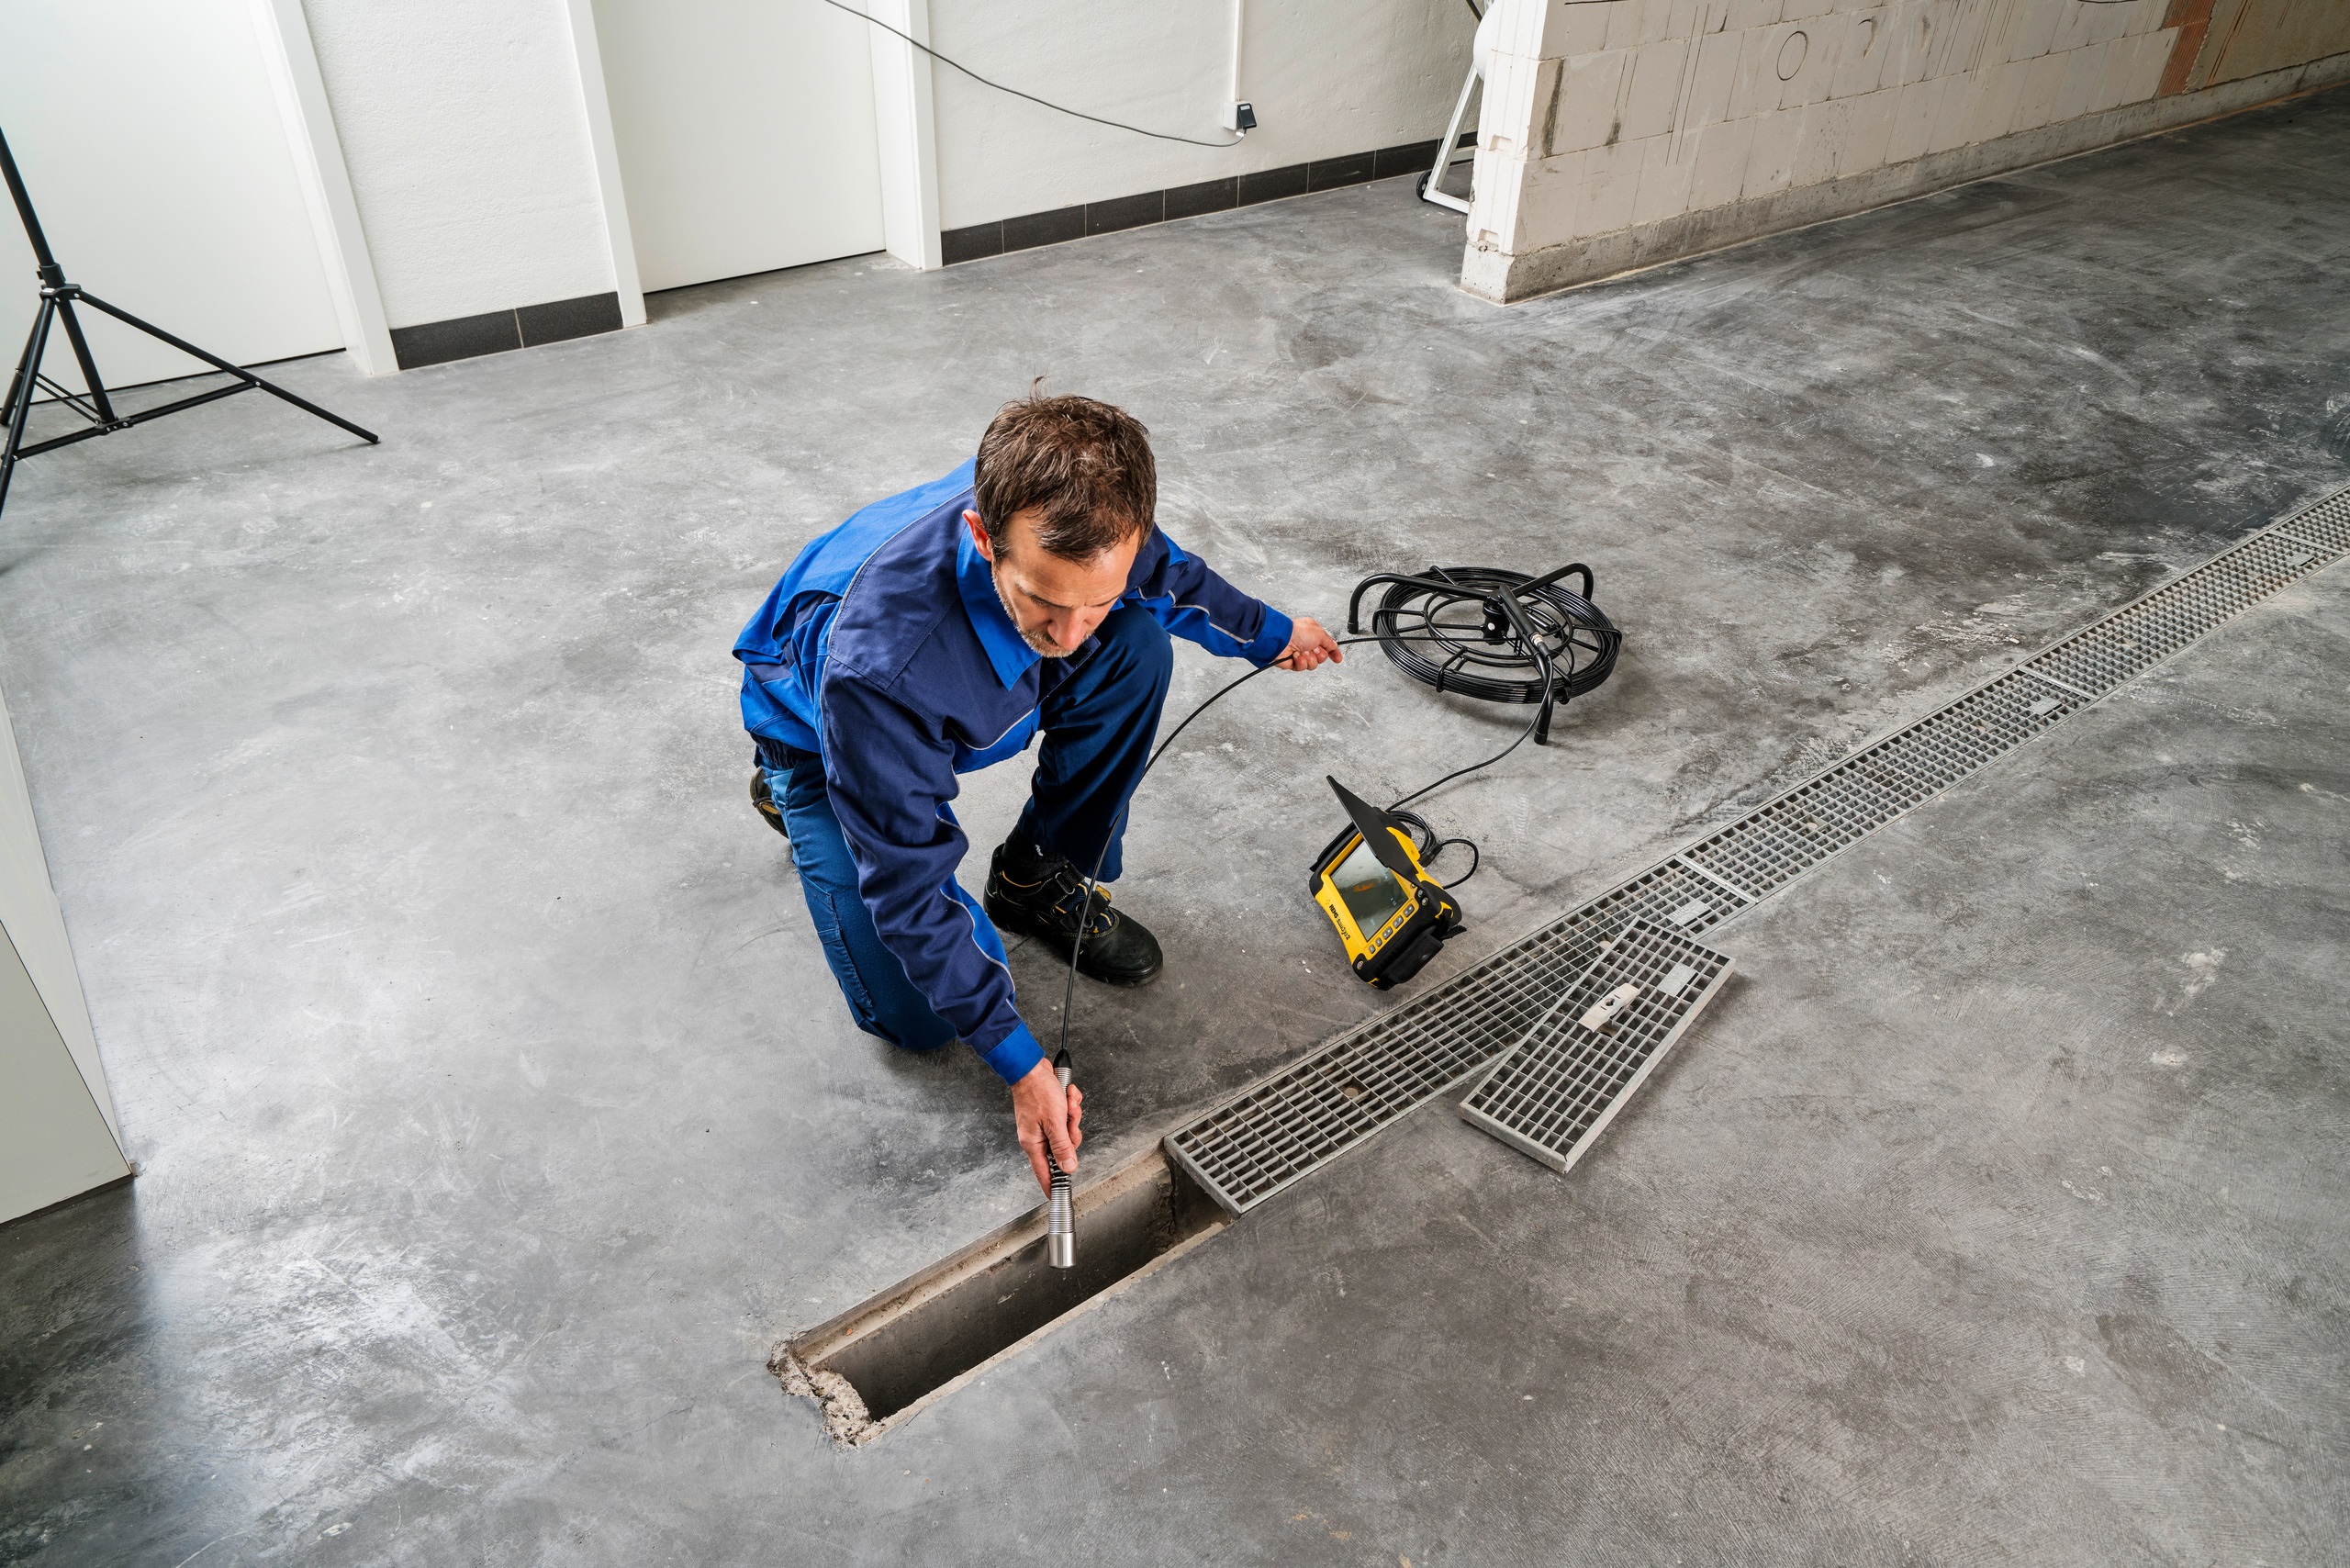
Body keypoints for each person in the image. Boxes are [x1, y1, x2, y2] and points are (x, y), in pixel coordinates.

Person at [733, 392, 1341, 1193]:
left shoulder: (1092, 520)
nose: (1071, 634)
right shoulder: (877, 670)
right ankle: (800, 798)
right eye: (1045, 601)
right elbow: (911, 892)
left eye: (1095, 600)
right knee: (921, 1022)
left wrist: (1275, 634)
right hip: (823, 736)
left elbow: (1169, 578)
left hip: (946, 697)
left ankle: (1033, 876)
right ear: (984, 537)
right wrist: (1020, 1062)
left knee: (1136, 648)